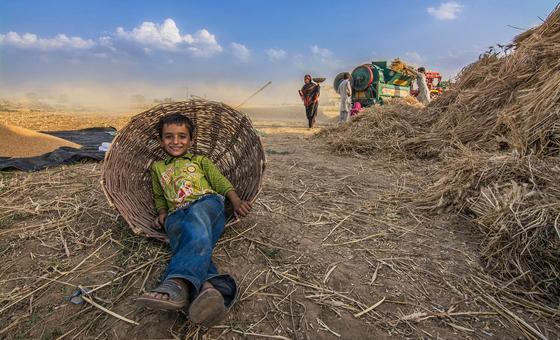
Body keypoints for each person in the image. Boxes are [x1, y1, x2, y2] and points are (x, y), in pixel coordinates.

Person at [137, 113, 252, 327]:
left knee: (196, 218)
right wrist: (162, 213)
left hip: (207, 205)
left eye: (182, 136)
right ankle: (210, 289)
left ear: (191, 140)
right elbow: (159, 195)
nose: (175, 141)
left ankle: (178, 282)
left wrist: (235, 201)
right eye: (168, 136)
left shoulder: (200, 161)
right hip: (176, 214)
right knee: (185, 233)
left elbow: (220, 181)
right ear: (161, 140)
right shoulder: (158, 168)